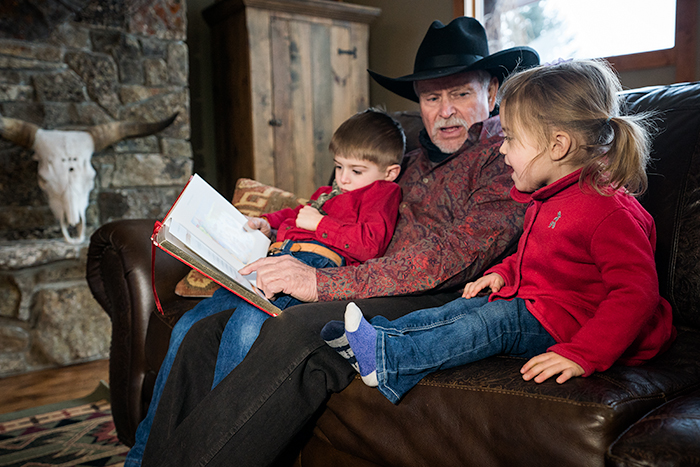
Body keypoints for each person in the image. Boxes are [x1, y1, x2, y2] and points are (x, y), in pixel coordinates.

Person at [140, 17, 540, 467]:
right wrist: (275, 230)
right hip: (354, 275)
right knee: (201, 331)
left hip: (429, 294)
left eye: (461, 94)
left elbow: (452, 258)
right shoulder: (399, 158)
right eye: (432, 97)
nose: (445, 111)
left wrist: (322, 284)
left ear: (491, 93)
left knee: (289, 329)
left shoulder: (506, 159)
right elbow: (331, 204)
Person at [325, 59, 677, 405]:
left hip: (582, 323)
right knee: (466, 307)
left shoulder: (609, 211)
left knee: (496, 321)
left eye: (510, 138)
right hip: (545, 305)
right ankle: (380, 337)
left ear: (557, 146)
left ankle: (390, 360)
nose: (502, 148)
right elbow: (536, 255)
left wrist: (583, 353)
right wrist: (502, 272)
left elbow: (636, 294)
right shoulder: (549, 196)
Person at [124, 108, 404, 465]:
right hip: (269, 258)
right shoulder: (328, 192)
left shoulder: (383, 192)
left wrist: (320, 225)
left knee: (243, 330)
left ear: (390, 172)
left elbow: (371, 243)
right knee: (187, 325)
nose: (343, 179)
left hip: (309, 266)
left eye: (356, 171)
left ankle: (207, 442)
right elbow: (292, 216)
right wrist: (265, 224)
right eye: (339, 166)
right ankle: (141, 454)